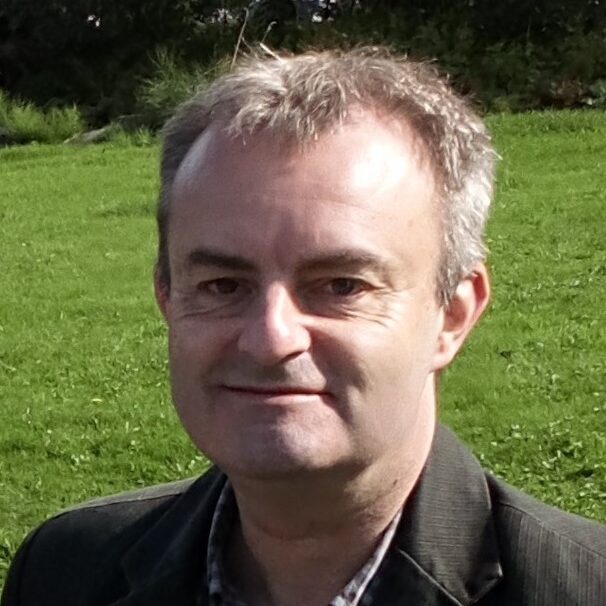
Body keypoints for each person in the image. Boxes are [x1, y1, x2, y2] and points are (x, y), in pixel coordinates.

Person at [2, 48, 605, 606]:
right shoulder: (64, 574)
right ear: (166, 294)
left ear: (452, 314)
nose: (270, 339)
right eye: (223, 285)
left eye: (341, 285)